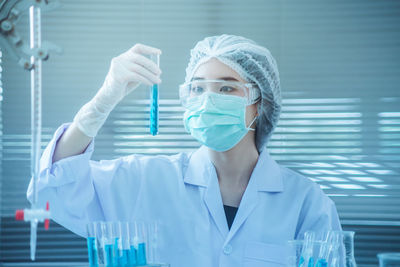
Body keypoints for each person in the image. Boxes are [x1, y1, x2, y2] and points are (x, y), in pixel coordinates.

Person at [27, 34, 341, 266]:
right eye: (197, 87)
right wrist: (98, 106)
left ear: (260, 103)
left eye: (226, 87)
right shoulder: (145, 180)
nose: (207, 99)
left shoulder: (307, 205)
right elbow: (51, 191)